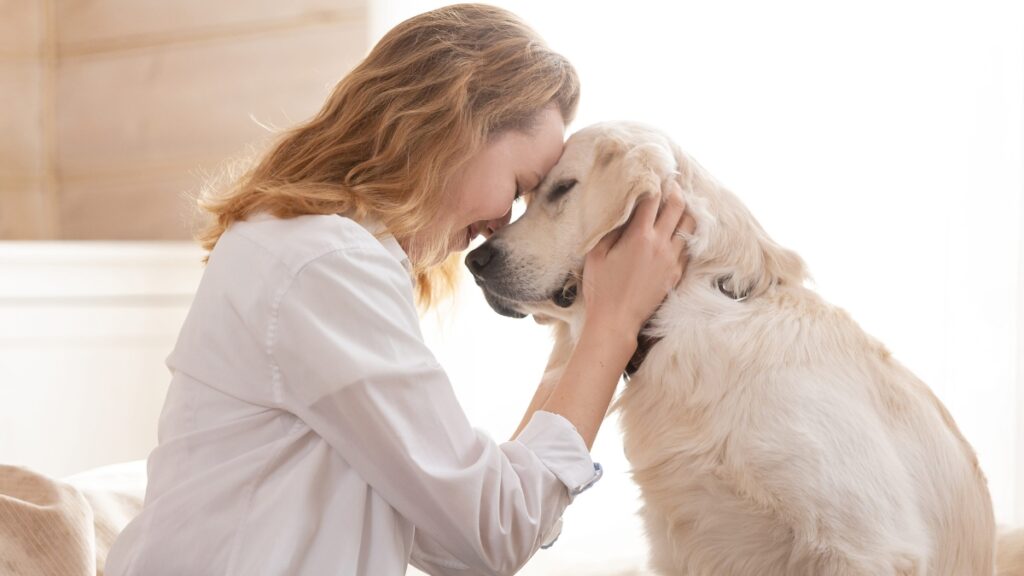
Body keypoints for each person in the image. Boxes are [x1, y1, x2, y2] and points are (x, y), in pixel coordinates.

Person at [105, 4, 693, 575]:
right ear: (452, 124)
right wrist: (611, 330)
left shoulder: (309, 251)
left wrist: (583, 334)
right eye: (518, 187)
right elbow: (493, 534)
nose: (501, 226)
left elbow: (454, 542)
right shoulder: (323, 263)